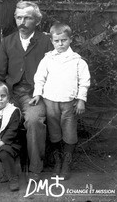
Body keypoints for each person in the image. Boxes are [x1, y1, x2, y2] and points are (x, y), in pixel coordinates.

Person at [0, 1, 53, 181]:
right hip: (10, 93)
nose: (22, 22)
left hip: (34, 95)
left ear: (37, 21)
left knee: (33, 120)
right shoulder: (8, 41)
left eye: (27, 18)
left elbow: (56, 72)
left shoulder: (47, 41)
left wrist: (41, 92)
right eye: (19, 17)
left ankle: (35, 169)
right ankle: (1, 165)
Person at [31, 22, 90, 180]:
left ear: (70, 39)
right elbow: (39, 77)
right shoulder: (48, 59)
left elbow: (84, 81)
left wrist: (81, 99)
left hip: (68, 104)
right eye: (56, 41)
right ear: (52, 41)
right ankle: (58, 161)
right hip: (50, 102)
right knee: (54, 132)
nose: (60, 44)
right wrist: (37, 94)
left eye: (63, 40)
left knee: (69, 133)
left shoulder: (77, 61)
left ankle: (66, 163)